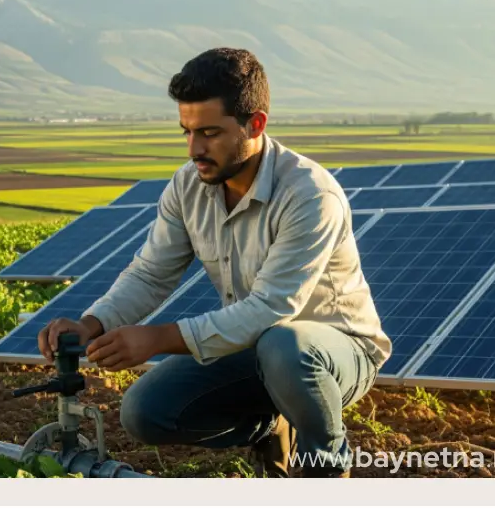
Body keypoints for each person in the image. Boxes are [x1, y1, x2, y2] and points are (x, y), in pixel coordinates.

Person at [37, 47, 392, 478]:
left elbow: (271, 309)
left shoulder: (309, 195)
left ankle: (326, 468)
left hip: (334, 351)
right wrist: (92, 324)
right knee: (145, 412)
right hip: (255, 345)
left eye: (209, 133)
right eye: (186, 131)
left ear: (255, 124)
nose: (194, 149)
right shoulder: (189, 185)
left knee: (285, 346)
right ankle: (270, 424)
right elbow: (151, 272)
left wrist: (157, 338)